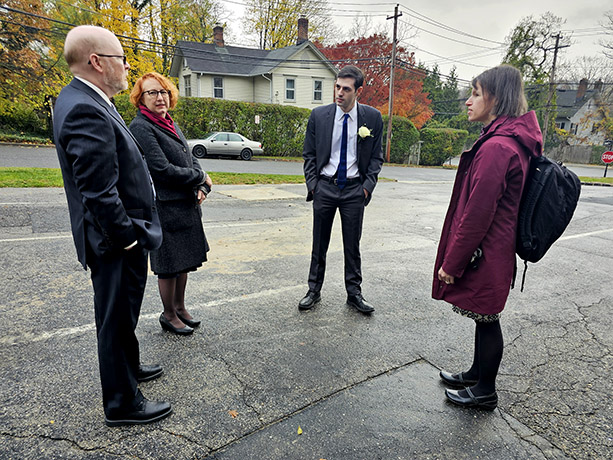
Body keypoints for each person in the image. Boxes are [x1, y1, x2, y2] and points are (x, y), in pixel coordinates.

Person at [53, 25, 171, 427]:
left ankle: (129, 369)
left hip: (118, 236)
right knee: (115, 318)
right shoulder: (84, 108)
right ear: (97, 62)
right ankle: (122, 403)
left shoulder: (86, 99)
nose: (126, 66)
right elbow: (98, 191)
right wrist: (127, 240)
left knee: (123, 314)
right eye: (121, 58)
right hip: (114, 241)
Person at [432, 65, 543, 410]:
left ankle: (485, 391)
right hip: (495, 248)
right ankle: (476, 374)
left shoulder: (498, 147)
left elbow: (478, 214)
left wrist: (452, 263)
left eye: (476, 93)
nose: (468, 101)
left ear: (495, 99)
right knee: (483, 317)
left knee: (488, 319)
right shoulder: (508, 141)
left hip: (488, 250)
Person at [128, 72, 212, 335]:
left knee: (183, 261)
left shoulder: (169, 122)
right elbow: (161, 169)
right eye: (152, 92)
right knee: (168, 265)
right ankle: (168, 314)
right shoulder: (141, 126)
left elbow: (189, 157)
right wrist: (199, 177)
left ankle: (180, 308)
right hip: (164, 206)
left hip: (184, 204)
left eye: (163, 91)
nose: (160, 97)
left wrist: (201, 183)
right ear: (141, 98)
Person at [300, 65, 383, 314]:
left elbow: (376, 157)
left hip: (354, 191)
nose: (339, 93)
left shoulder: (372, 118)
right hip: (324, 187)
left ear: (358, 91)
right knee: (319, 243)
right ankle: (313, 290)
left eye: (346, 89)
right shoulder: (319, 116)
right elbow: (309, 154)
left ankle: (354, 293)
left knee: (352, 245)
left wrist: (366, 188)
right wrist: (313, 186)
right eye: (337, 87)